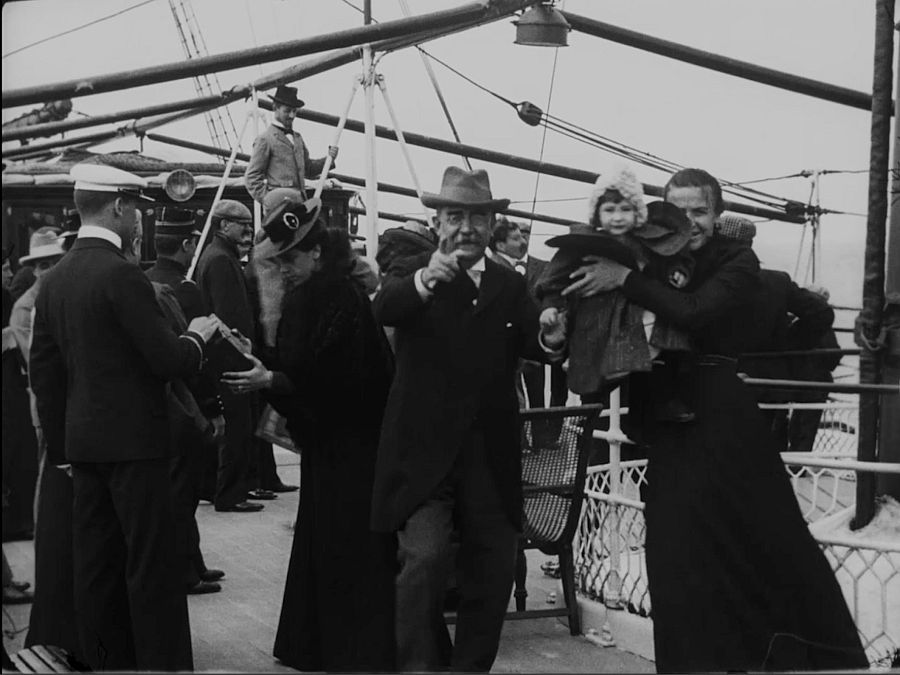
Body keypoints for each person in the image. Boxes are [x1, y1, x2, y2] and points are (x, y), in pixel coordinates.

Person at [562, 167, 867, 673]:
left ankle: (782, 656)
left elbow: (698, 311)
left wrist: (628, 281)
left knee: (758, 544)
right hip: (666, 424)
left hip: (723, 421)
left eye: (699, 211)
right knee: (676, 561)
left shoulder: (737, 261)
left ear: (717, 213)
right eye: (678, 211)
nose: (689, 221)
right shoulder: (651, 258)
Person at [370, 166, 567, 672]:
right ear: (437, 221)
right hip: (421, 456)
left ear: (491, 224)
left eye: (478, 217)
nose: (466, 228)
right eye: (455, 216)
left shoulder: (508, 283)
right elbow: (384, 309)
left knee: (495, 567)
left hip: (490, 456)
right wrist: (423, 281)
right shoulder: (412, 268)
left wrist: (550, 334)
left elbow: (533, 342)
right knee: (425, 561)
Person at [29, 163, 221, 672]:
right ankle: (161, 663)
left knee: (96, 564)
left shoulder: (55, 280)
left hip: (84, 449)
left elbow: (46, 376)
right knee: (150, 564)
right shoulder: (122, 276)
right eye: (136, 208)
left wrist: (64, 450)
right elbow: (168, 361)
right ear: (118, 207)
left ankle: (105, 658)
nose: (139, 221)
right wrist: (199, 335)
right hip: (137, 446)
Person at [222, 191, 395, 671]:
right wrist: (268, 367)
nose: (285, 267)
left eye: (291, 257)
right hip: (350, 444)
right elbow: (318, 374)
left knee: (338, 544)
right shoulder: (341, 293)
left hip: (347, 446)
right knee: (337, 541)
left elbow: (327, 382)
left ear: (316, 252)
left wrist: (270, 377)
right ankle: (337, 644)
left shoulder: (322, 299)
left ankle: (332, 646)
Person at [536, 167, 695, 423]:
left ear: (637, 212)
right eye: (609, 210)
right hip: (597, 319)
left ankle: (666, 403)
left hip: (638, 315)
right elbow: (552, 280)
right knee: (594, 369)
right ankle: (590, 415)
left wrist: (678, 273)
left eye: (625, 209)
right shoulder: (580, 243)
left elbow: (672, 259)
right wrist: (550, 307)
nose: (618, 217)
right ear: (597, 214)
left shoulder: (649, 240)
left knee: (664, 352)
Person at [145, 206, 228, 594]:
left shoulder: (143, 283)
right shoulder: (185, 291)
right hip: (188, 407)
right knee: (184, 494)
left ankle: (192, 561)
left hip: (160, 407)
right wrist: (213, 409)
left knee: (175, 492)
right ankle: (185, 571)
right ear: (186, 244)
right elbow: (201, 357)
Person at [196, 198, 271, 511]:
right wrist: (244, 354)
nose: (247, 231)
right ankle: (230, 494)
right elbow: (230, 317)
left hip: (223, 357)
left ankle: (240, 487)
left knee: (241, 426)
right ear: (223, 225)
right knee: (238, 426)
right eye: (241, 224)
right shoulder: (222, 261)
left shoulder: (216, 256)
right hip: (231, 359)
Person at [244, 84, 338, 207]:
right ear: (275, 108)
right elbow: (251, 178)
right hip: (278, 209)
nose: (292, 116)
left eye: (294, 111)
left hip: (299, 205)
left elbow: (308, 169)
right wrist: (268, 200)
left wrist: (329, 159)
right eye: (287, 111)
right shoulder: (265, 139)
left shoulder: (297, 138)